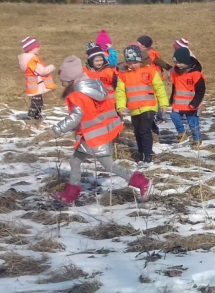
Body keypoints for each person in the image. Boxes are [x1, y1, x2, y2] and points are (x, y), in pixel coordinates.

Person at [50, 56, 151, 205]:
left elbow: (75, 117)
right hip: (96, 132)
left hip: (96, 136)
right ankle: (70, 195)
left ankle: (141, 182)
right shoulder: (91, 86)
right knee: (75, 161)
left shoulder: (78, 95)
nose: (61, 84)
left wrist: (57, 129)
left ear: (70, 80)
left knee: (109, 165)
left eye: (63, 81)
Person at [115, 44, 169, 164]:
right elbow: (120, 92)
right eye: (130, 63)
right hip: (134, 109)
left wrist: (163, 104)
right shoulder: (123, 75)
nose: (133, 65)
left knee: (145, 130)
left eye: (135, 62)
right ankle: (141, 151)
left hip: (148, 106)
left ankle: (147, 154)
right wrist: (120, 106)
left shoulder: (150, 71)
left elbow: (159, 88)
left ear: (140, 60)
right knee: (138, 131)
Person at [168, 46, 206, 147]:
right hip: (178, 104)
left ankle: (197, 140)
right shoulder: (175, 73)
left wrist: (195, 103)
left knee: (193, 124)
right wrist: (172, 99)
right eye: (176, 63)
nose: (178, 65)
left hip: (191, 105)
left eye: (180, 62)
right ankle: (182, 134)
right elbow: (174, 86)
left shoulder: (196, 74)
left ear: (187, 61)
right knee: (173, 116)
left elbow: (201, 90)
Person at [18, 36, 56, 121]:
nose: (38, 48)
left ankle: (36, 116)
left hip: (32, 85)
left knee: (37, 102)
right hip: (36, 85)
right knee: (37, 103)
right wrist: (51, 67)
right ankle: (31, 117)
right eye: (37, 47)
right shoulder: (32, 60)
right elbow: (42, 71)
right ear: (32, 48)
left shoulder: (26, 58)